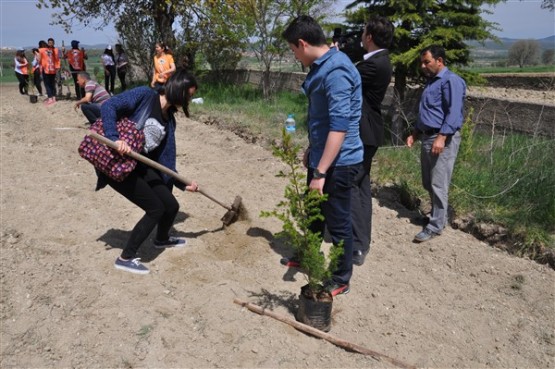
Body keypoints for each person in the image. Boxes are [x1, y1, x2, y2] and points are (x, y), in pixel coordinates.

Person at [281, 16, 363, 296]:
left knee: (338, 222)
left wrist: (321, 173)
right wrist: (311, 151)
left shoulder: (336, 71)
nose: (294, 56)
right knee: (314, 214)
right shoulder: (324, 67)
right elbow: (324, 122)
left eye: (293, 50)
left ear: (302, 44)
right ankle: (308, 255)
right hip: (323, 157)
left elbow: (339, 127)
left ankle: (341, 278)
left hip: (338, 164)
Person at [97, 68, 199, 274]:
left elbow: (163, 160)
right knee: (155, 209)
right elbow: (109, 106)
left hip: (139, 165)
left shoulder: (169, 119)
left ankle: (161, 239)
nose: (188, 100)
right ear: (179, 89)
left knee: (170, 205)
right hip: (118, 165)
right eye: (189, 95)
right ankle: (125, 257)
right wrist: (114, 138)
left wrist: (181, 182)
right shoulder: (145, 95)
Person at [406, 45, 466, 242]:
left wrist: (442, 137)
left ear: (439, 61)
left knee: (438, 183)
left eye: (427, 62)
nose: (423, 66)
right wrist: (415, 133)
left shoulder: (451, 81)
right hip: (427, 136)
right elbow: (427, 113)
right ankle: (438, 216)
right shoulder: (432, 82)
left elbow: (454, 113)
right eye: (422, 62)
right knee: (428, 181)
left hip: (442, 138)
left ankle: (435, 226)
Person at [350, 16, 394, 266]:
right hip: (370, 130)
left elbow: (348, 78)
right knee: (362, 185)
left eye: (364, 31)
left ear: (369, 37)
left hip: (363, 131)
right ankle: (361, 240)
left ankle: (357, 245)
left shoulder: (373, 65)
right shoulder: (379, 60)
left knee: (352, 185)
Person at [38, 39, 60, 105]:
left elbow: (39, 59)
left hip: (48, 70)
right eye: (49, 42)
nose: (50, 44)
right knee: (52, 84)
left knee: (48, 84)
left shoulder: (42, 50)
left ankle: (50, 98)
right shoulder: (55, 50)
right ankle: (53, 97)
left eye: (51, 43)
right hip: (51, 69)